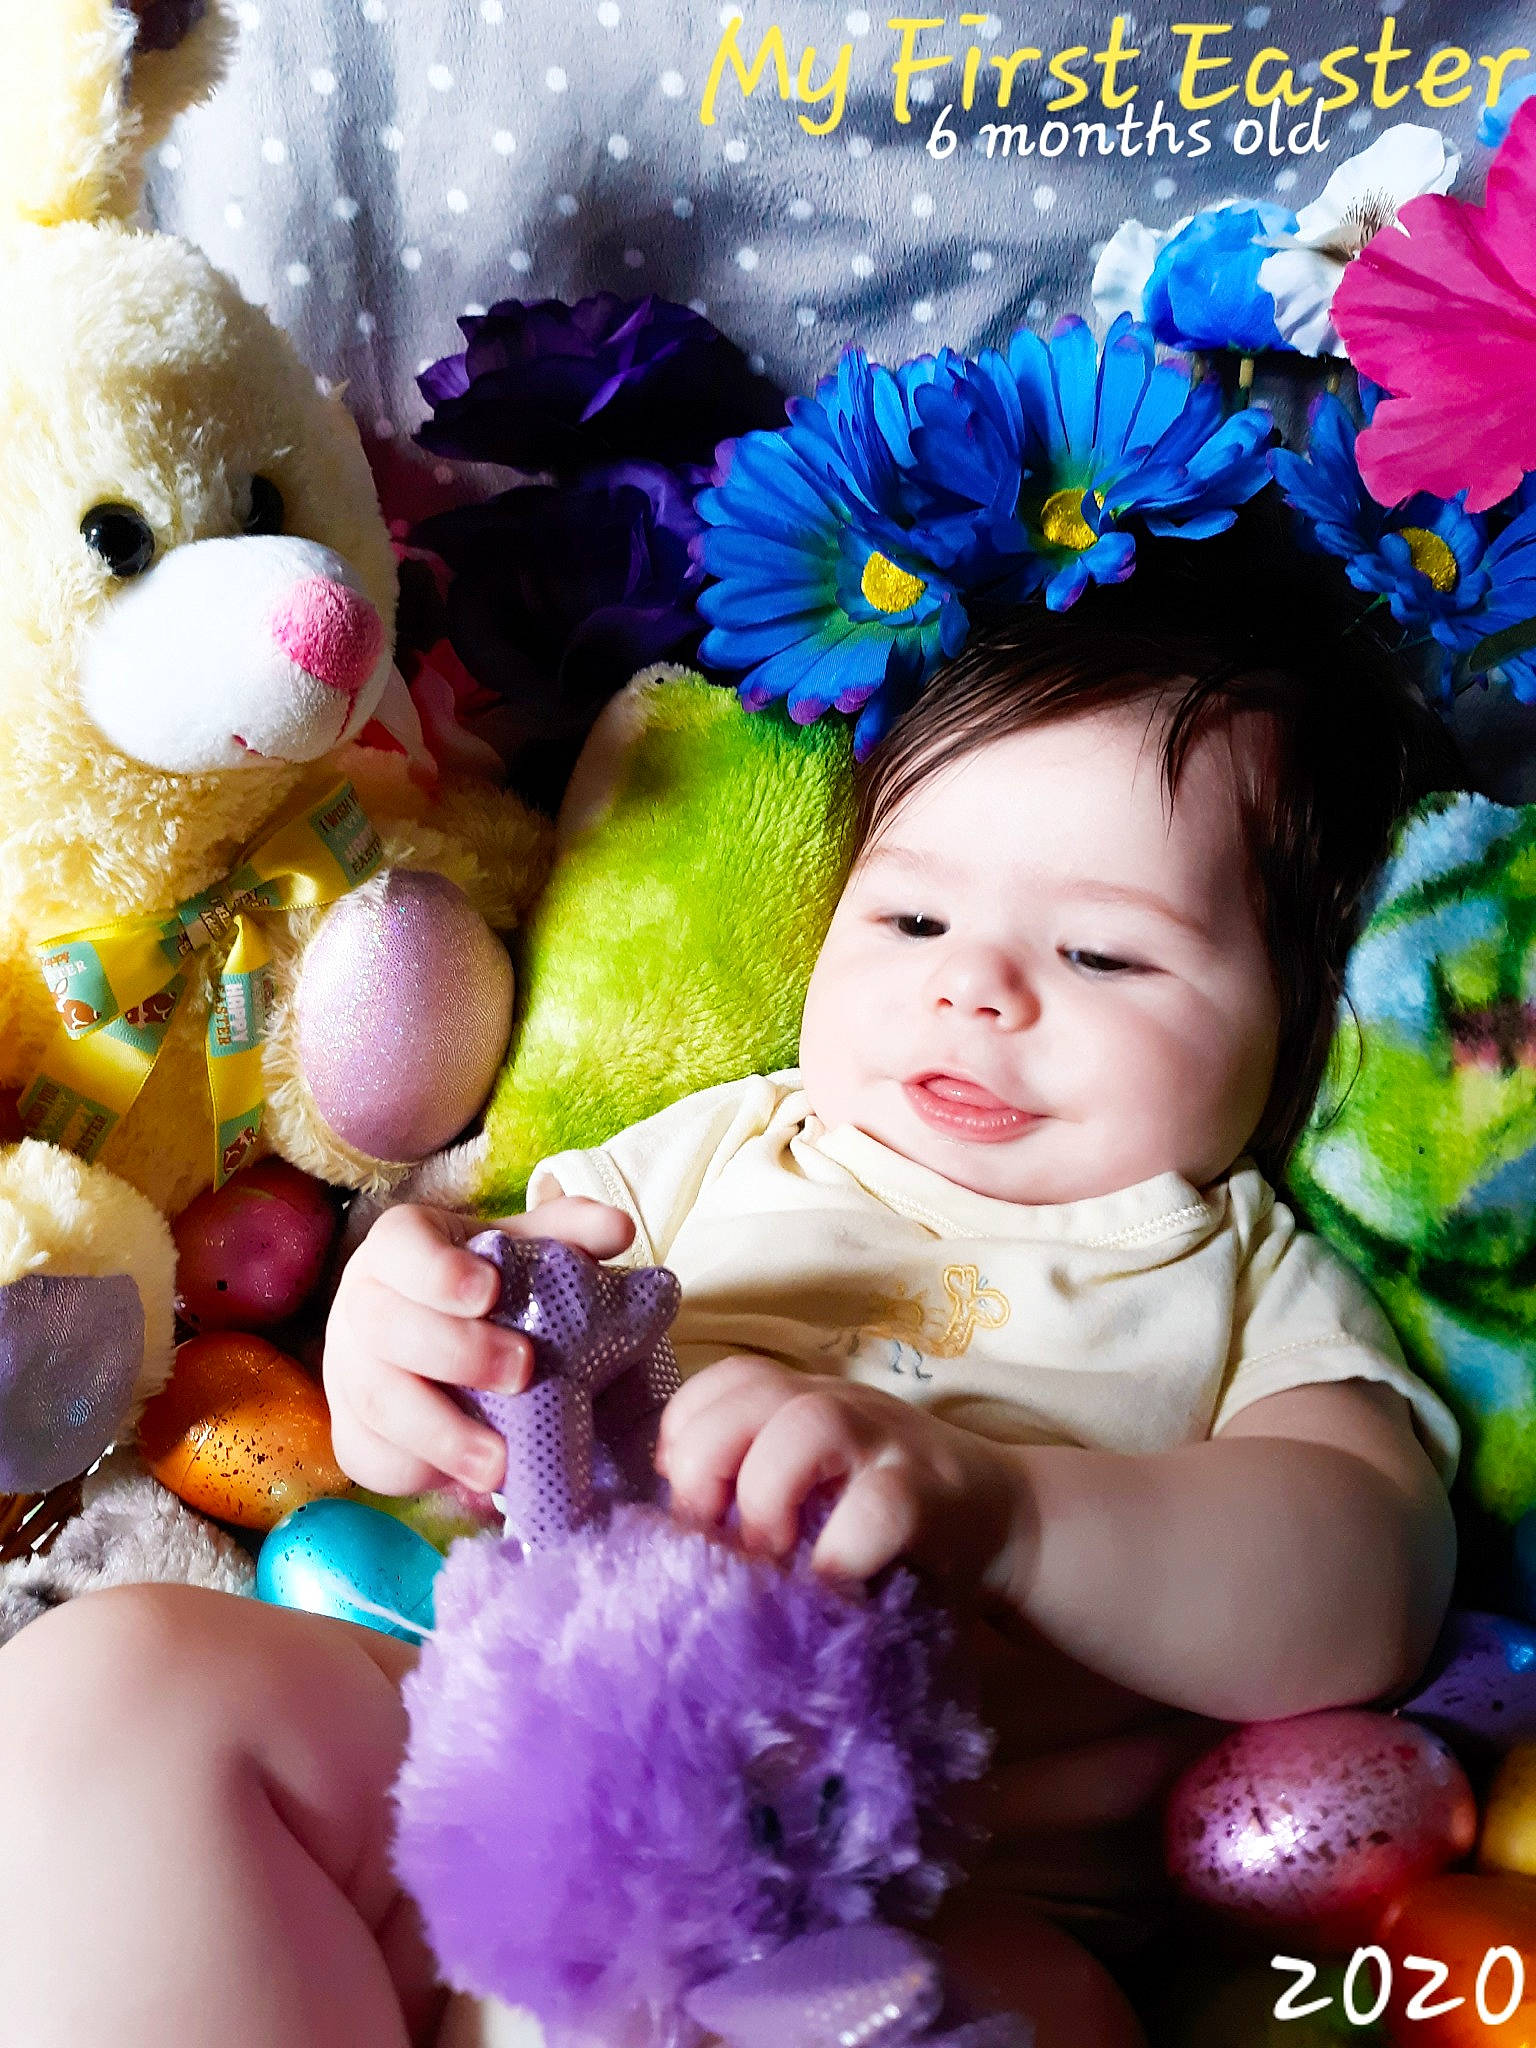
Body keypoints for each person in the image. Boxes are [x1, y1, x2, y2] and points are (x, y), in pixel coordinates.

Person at [0, 570, 1463, 2048]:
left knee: (1040, 2014)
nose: (974, 989)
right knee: (118, 1686)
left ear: (1295, 1026)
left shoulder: (1236, 1273)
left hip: (898, 1915)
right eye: (908, 918)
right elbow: (491, 1320)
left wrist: (1010, 1515)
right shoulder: (724, 1142)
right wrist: (403, 1336)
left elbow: (1364, 1586)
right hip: (487, 1782)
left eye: (1100, 953)